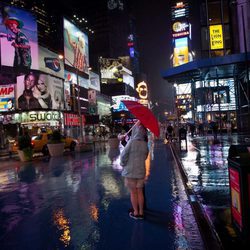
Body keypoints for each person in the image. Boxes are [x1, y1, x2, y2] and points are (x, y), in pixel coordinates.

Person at [120, 122, 149, 220]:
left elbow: (123, 155)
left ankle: (135, 212)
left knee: (133, 192)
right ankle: (141, 212)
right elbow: (145, 156)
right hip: (141, 171)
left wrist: (123, 164)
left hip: (130, 171)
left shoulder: (131, 142)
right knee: (140, 191)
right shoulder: (145, 144)